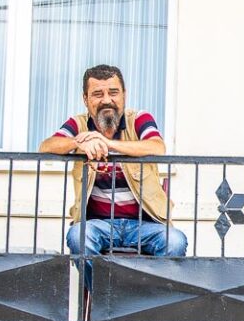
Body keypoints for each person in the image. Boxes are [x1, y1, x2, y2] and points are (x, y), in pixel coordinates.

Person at [39, 64, 187, 288]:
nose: (106, 100)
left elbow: (157, 146)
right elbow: (47, 145)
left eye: (113, 92)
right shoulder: (79, 124)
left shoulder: (139, 120)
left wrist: (107, 144)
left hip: (144, 224)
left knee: (175, 241)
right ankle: (105, 300)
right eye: (98, 94)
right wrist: (79, 143)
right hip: (99, 224)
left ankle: (149, 303)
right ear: (85, 99)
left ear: (124, 95)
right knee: (77, 237)